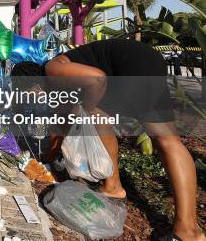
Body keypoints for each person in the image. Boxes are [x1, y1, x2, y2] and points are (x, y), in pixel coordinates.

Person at [11, 39, 204, 241]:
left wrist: (88, 109)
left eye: (28, 95)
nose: (33, 100)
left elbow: (97, 79)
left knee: (97, 116)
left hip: (130, 66)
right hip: (148, 60)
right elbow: (61, 124)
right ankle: (189, 228)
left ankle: (114, 188)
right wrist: (48, 156)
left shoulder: (52, 69)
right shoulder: (59, 86)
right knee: (168, 141)